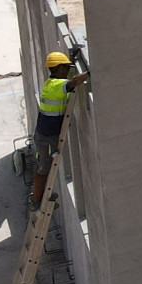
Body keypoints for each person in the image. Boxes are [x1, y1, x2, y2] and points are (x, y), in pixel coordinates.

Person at [29, 49, 89, 208]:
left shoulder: (50, 83)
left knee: (45, 165)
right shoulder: (58, 86)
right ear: (60, 68)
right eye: (66, 67)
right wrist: (91, 70)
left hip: (44, 133)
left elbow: (66, 80)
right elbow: (73, 81)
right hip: (46, 136)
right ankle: (36, 201)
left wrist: (70, 59)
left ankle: (40, 196)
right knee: (43, 167)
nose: (68, 70)